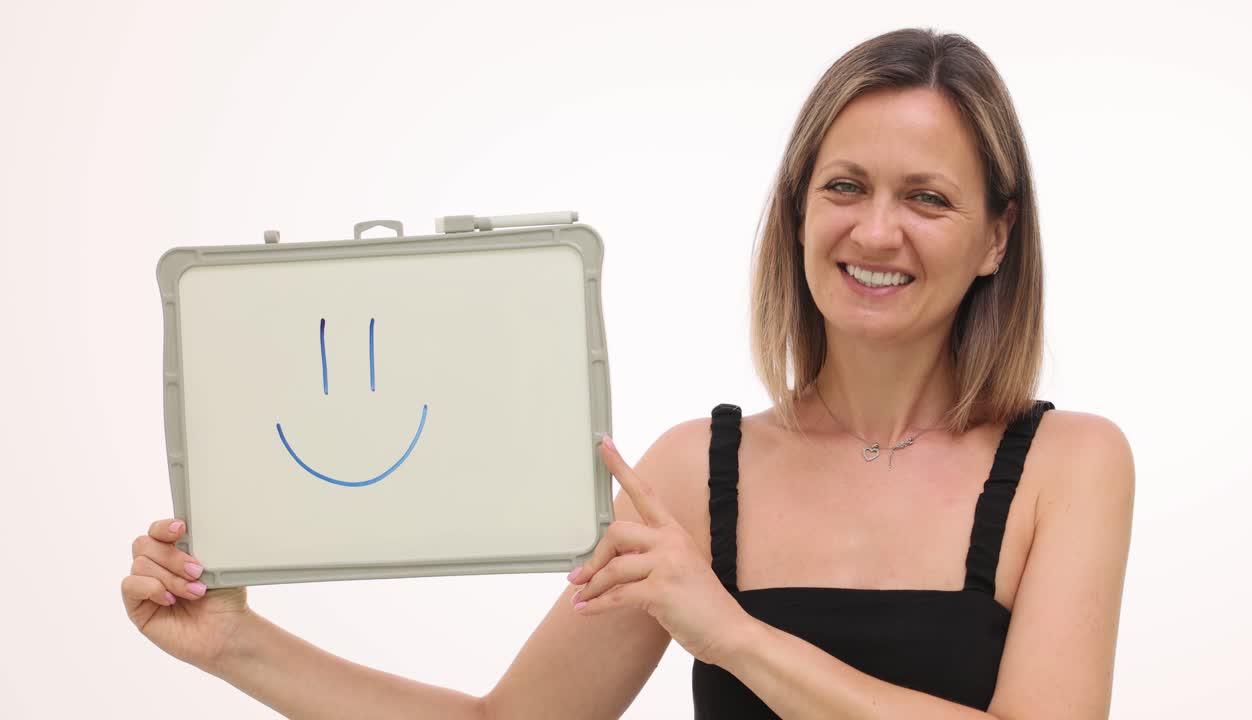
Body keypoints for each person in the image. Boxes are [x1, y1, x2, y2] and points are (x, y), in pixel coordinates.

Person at [122, 26, 1134, 719]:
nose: (875, 230)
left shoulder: (1068, 465)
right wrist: (233, 645)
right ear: (797, 211)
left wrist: (731, 636)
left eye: (927, 198)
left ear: (997, 237)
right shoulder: (693, 474)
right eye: (844, 186)